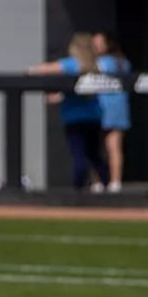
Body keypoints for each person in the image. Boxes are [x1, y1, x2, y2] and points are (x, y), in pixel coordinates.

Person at [29, 34, 108, 191]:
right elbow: (79, 90)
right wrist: (60, 95)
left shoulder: (72, 64)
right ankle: (108, 185)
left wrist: (30, 71)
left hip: (74, 118)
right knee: (94, 155)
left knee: (79, 157)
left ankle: (77, 191)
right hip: (93, 117)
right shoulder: (98, 65)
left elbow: (44, 69)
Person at [92, 31, 130, 194]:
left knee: (103, 148)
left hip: (103, 107)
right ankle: (114, 182)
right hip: (117, 108)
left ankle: (101, 182)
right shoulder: (123, 63)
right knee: (112, 148)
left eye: (99, 43)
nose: (95, 46)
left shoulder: (100, 63)